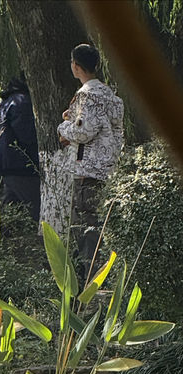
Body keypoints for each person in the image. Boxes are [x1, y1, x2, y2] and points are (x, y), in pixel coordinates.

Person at [57, 43, 124, 273]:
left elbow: (83, 131)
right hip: (109, 170)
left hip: (88, 171)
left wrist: (64, 127)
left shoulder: (87, 95)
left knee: (86, 228)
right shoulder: (110, 95)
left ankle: (88, 282)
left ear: (76, 66)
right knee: (102, 226)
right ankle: (104, 275)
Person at [0, 76, 40, 222]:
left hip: (6, 163)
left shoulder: (4, 103)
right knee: (35, 210)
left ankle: (3, 241)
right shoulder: (22, 102)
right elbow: (27, 135)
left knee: (9, 212)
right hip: (21, 164)